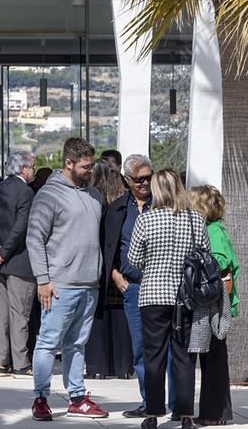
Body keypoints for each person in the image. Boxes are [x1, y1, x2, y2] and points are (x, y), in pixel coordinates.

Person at [25, 137, 109, 421]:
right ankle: (40, 398)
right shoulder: (48, 196)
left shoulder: (95, 195)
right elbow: (35, 239)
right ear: (68, 163)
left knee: (77, 344)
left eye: (92, 166)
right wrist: (43, 279)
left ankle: (77, 396)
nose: (90, 171)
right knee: (48, 342)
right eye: (85, 167)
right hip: (59, 284)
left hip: (89, 284)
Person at [127, 169, 209, 429]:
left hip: (153, 295)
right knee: (184, 356)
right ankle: (185, 414)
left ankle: (152, 413)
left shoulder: (146, 220)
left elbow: (134, 260)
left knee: (154, 355)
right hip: (185, 297)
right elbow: (205, 253)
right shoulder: (195, 219)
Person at [105, 152, 163, 418]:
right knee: (140, 349)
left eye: (148, 178)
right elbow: (108, 247)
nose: (143, 184)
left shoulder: (163, 206)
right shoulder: (117, 209)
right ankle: (149, 402)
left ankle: (174, 404)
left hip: (161, 286)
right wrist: (116, 276)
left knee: (168, 349)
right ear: (127, 179)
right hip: (133, 287)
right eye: (138, 180)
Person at [0, 150, 35, 378]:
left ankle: (1, 363)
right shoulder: (26, 192)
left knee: (0, 315)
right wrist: (2, 252)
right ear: (23, 169)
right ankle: (21, 364)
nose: (33, 170)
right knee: (19, 314)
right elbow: (21, 228)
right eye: (32, 166)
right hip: (18, 262)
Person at [190, 185, 237, 426]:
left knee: (215, 359)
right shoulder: (212, 229)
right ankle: (212, 410)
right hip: (213, 303)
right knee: (210, 359)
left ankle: (215, 412)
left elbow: (219, 261)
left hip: (216, 304)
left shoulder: (213, 230)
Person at [85, 159, 133, 383]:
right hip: (120, 269)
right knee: (122, 317)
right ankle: (124, 366)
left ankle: (97, 365)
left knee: (97, 317)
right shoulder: (125, 203)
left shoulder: (92, 201)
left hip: (97, 267)